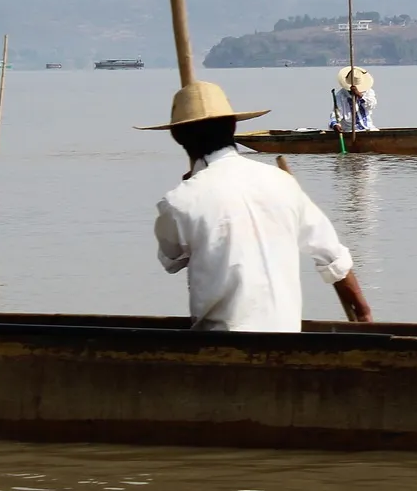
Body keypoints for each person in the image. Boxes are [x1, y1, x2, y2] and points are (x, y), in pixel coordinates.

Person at [142, 80, 372, 331]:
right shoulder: (282, 182)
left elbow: (172, 259)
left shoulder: (180, 201)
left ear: (177, 137)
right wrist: (363, 313)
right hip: (286, 336)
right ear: (233, 126)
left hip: (217, 344)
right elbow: (333, 256)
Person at [334, 66, 377, 132]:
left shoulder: (368, 92)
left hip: (368, 128)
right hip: (350, 130)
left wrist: (359, 95)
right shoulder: (341, 95)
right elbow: (337, 112)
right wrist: (335, 124)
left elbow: (371, 105)